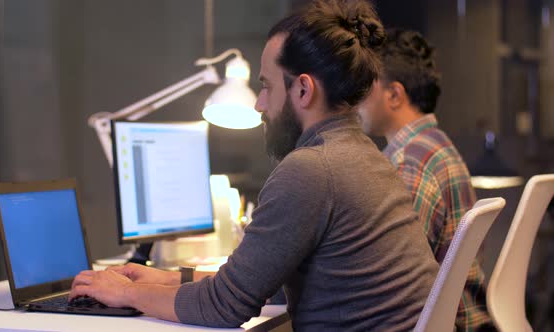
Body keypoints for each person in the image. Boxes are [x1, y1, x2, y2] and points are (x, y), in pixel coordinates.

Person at [70, 1, 439, 330]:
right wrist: (163, 280)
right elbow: (267, 281)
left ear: (303, 90)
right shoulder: (363, 156)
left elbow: (224, 306)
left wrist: (126, 295)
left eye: (266, 86)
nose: (260, 104)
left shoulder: (312, 169)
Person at [357, 28, 495, 331]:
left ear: (394, 95)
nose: (356, 100)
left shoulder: (409, 163)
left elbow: (394, 283)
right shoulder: (435, 144)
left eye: (366, 87)